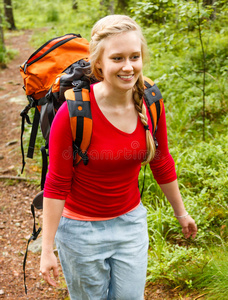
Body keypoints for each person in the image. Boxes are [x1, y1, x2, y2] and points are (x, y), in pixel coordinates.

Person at [40, 14, 197, 300]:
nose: (128, 67)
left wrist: (181, 213)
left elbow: (161, 161)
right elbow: (57, 183)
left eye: (134, 56)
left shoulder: (150, 102)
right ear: (98, 62)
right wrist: (47, 247)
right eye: (117, 58)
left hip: (130, 225)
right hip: (79, 232)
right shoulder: (73, 113)